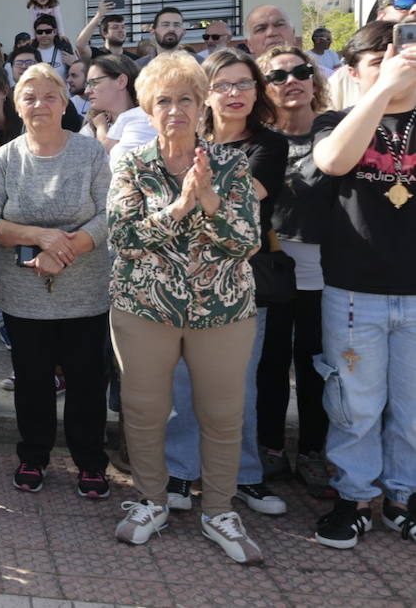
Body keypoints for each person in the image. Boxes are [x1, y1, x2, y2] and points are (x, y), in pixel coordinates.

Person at [106, 52, 263, 564]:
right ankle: (152, 500)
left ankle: (218, 510)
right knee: (145, 411)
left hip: (221, 310)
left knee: (221, 414)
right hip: (144, 309)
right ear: (149, 110)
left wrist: (211, 201)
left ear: (202, 107)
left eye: (187, 100)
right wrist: (178, 208)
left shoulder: (233, 163)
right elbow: (123, 238)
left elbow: (247, 242)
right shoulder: (131, 163)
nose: (175, 110)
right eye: (164, 101)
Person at [162, 50, 288, 519]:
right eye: (223, 85)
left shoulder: (269, 146)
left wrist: (194, 195)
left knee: (238, 386)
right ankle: (179, 473)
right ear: (205, 94)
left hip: (242, 281)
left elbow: (238, 203)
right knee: (180, 383)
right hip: (181, 279)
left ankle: (245, 478)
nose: (234, 94)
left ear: (257, 91)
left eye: (243, 84)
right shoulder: (181, 139)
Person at [311, 21, 416, 548]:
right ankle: (353, 499)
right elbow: (332, 161)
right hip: (355, 291)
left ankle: (402, 499)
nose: (396, 63)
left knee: (412, 409)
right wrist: (381, 90)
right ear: (352, 72)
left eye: (401, 53)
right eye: (378, 59)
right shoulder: (337, 120)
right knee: (355, 405)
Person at [0, 64, 112, 498]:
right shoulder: (4, 158)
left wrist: (67, 250)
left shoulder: (91, 153)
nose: (39, 105)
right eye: (29, 97)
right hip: (24, 296)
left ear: (65, 102)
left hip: (86, 292)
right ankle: (34, 456)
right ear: (17, 106)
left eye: (49, 96)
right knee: (33, 382)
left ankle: (92, 461)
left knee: (86, 383)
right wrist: (41, 239)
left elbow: (108, 213)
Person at [255, 45, 331, 496]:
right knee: (270, 365)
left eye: (301, 71)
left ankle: (313, 453)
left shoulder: (335, 128)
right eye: (278, 76)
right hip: (272, 272)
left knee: (316, 367)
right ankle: (269, 449)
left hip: (329, 273)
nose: (291, 81)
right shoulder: (261, 141)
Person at [83, 54, 156, 166]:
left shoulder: (150, 120)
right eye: (87, 84)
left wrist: (101, 128)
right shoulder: (90, 128)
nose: (87, 91)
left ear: (121, 81)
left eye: (94, 82)